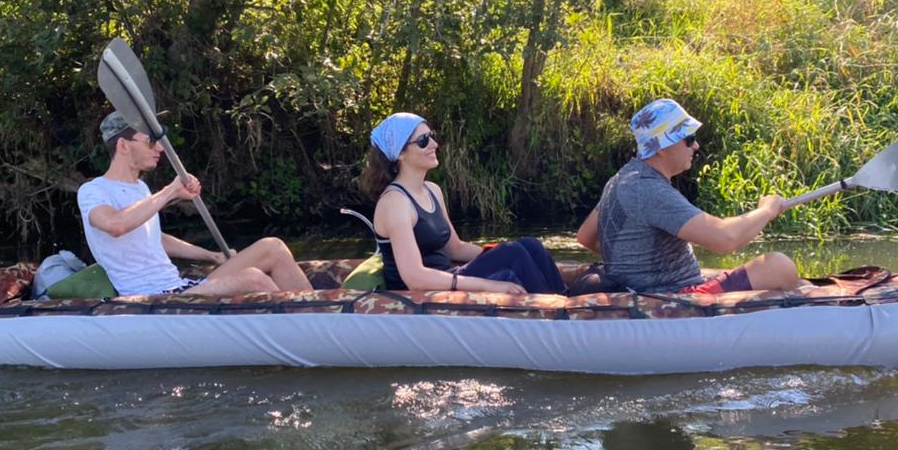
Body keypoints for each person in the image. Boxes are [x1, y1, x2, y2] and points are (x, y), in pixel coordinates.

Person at [576, 98, 799, 295]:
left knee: (738, 269)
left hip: (648, 287)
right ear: (661, 147)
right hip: (673, 295)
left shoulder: (621, 178)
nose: (696, 145)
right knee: (779, 265)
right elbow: (726, 239)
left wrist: (634, 264)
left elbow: (585, 236)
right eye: (689, 139)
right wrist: (767, 210)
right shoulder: (650, 190)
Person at [77, 112, 312, 296]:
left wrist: (211, 255)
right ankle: (303, 328)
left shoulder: (140, 189)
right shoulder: (92, 191)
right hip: (150, 295)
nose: (159, 148)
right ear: (123, 146)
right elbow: (115, 225)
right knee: (253, 278)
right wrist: (171, 191)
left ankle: (321, 312)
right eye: (151, 142)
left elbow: (153, 237)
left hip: (178, 286)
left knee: (273, 246)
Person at [360, 112, 564, 295]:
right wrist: (487, 284)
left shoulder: (432, 190)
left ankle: (566, 304)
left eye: (431, 135)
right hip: (421, 294)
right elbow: (415, 278)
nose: (434, 144)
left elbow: (455, 249)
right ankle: (555, 318)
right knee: (515, 253)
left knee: (529, 245)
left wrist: (500, 253)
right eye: (423, 141)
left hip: (447, 276)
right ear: (400, 153)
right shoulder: (395, 203)